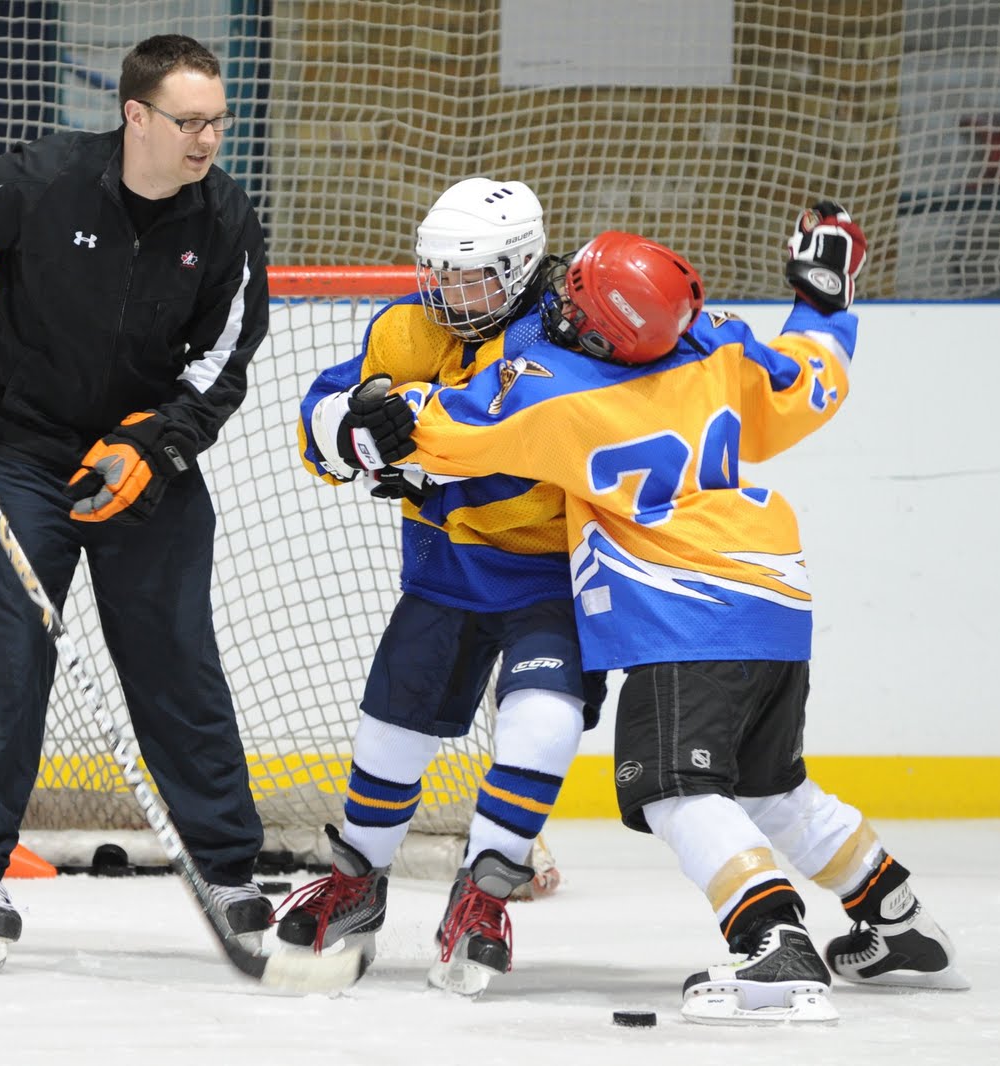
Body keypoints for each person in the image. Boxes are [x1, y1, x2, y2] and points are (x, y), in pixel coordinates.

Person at [345, 205, 968, 1022]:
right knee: (770, 787)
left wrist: (378, 415)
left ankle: (775, 946)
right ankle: (897, 919)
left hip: (685, 615)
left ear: (601, 335)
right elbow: (812, 377)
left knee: (674, 791)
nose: (558, 305)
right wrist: (823, 304)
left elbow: (446, 428)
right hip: (775, 602)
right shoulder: (718, 345)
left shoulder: (558, 390)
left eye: (573, 302)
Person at [0, 34, 271, 973]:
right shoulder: (48, 178)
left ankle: (227, 872)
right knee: (14, 656)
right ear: (136, 115)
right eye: (188, 121)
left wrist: (156, 443)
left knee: (177, 657)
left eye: (217, 122)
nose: (207, 139)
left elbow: (225, 360)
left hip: (141, 462)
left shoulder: (224, 216)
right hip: (21, 452)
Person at [278, 178, 605, 996]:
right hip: (447, 571)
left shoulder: (571, 333)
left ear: (521, 267)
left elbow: (514, 428)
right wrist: (353, 428)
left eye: (474, 276)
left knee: (543, 723)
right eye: (441, 273)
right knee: (391, 725)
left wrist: (416, 445)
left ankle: (484, 896)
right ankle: (357, 882)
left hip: (553, 574)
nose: (451, 292)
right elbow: (320, 419)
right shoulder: (406, 328)